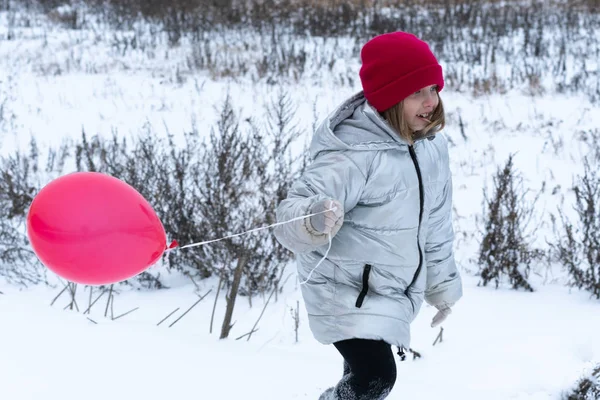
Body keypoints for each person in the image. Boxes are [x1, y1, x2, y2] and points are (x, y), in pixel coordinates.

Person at [273, 31, 463, 400]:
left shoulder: (431, 148)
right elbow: (289, 215)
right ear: (390, 98)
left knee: (361, 379)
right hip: (343, 287)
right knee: (375, 377)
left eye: (432, 88)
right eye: (415, 93)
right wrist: (312, 219)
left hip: (389, 289)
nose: (430, 101)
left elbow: (436, 226)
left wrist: (440, 287)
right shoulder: (353, 154)